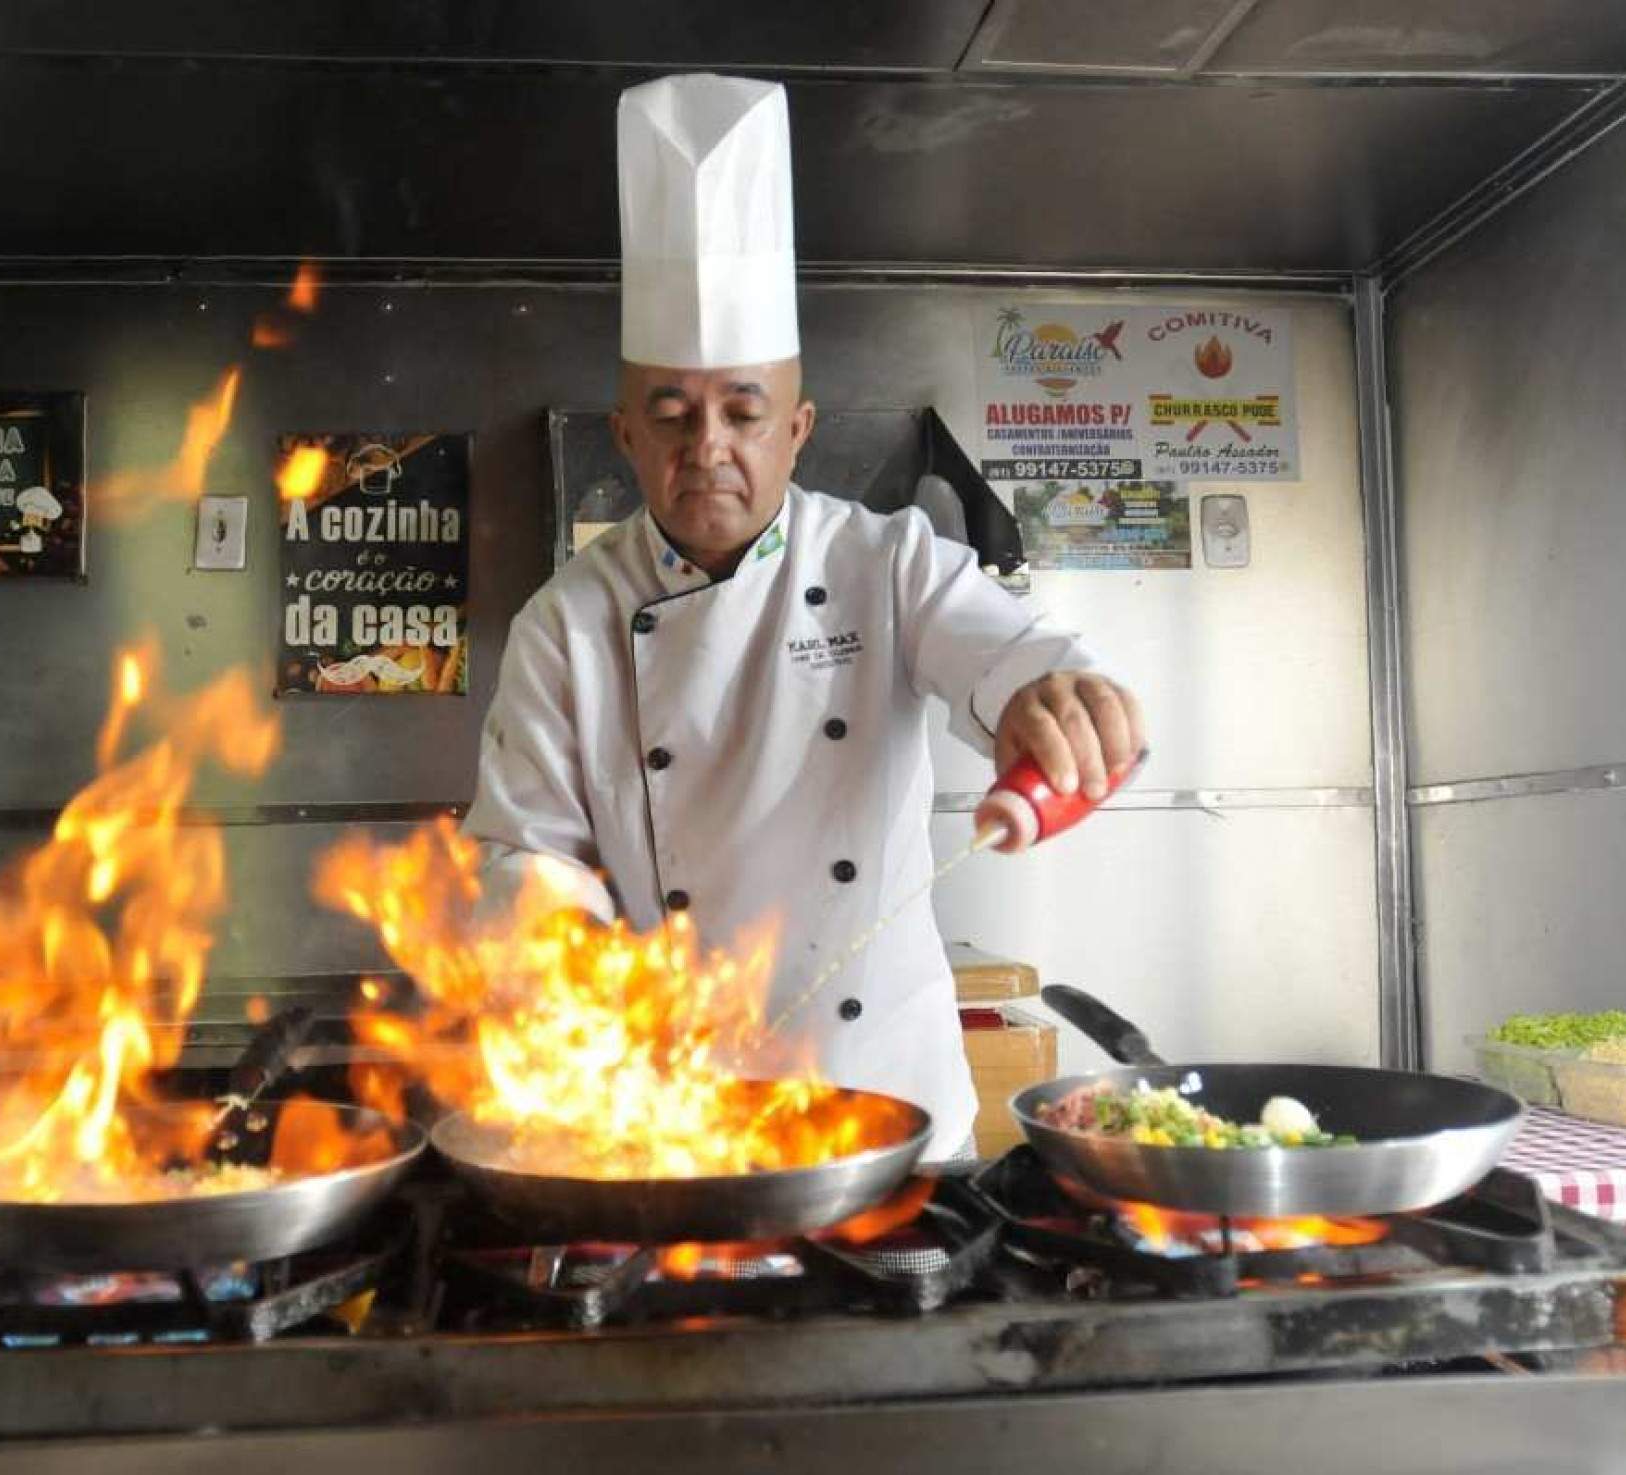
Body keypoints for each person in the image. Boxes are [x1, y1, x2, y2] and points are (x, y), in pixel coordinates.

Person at [465, 73, 1142, 1157]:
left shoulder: (888, 561)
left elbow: (1009, 652)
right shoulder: (566, 623)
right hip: (677, 1108)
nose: (708, 445)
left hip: (891, 1106)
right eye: (672, 413)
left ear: (796, 428)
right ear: (625, 435)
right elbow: (524, 852)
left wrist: (1051, 693)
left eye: (743, 410)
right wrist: (565, 952)